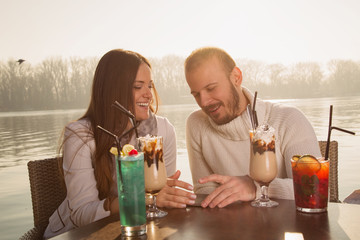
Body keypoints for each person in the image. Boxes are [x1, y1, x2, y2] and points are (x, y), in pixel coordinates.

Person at [44, 49, 196, 238]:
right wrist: (139, 199)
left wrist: (165, 198)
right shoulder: (80, 135)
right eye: (138, 87)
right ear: (113, 91)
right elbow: (81, 215)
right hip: (77, 234)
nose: (149, 94)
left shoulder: (163, 130)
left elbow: (162, 197)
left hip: (134, 231)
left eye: (150, 85)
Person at [184, 47, 321, 209]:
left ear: (236, 77)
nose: (204, 101)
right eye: (196, 94)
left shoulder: (289, 119)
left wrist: (254, 187)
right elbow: (205, 192)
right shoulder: (196, 124)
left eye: (211, 88)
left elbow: (314, 189)